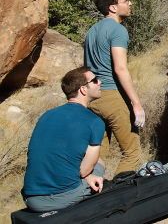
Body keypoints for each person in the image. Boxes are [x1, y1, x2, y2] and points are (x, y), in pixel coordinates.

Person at [22, 67, 106, 212]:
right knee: (99, 164)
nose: (100, 82)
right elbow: (84, 171)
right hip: (60, 197)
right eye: (95, 80)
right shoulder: (94, 121)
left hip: (30, 198)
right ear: (83, 90)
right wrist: (89, 176)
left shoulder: (47, 115)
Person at [84, 0, 144, 176]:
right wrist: (136, 104)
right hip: (111, 95)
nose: (130, 3)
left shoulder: (92, 31)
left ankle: (90, 195)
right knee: (132, 153)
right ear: (113, 7)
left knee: (97, 153)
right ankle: (120, 197)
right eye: (125, 1)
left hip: (92, 97)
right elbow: (120, 68)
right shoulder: (118, 30)